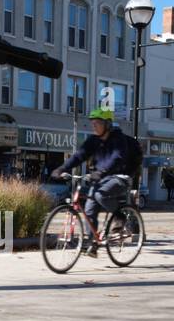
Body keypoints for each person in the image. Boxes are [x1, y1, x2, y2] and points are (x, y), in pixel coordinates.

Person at [52, 108, 139, 252]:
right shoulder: (93, 140)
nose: (94, 126)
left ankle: (120, 217)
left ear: (107, 124)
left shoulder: (118, 139)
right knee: (89, 208)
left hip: (120, 177)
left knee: (100, 195)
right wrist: (62, 168)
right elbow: (79, 156)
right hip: (100, 178)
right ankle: (93, 243)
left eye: (97, 123)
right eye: (92, 123)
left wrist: (102, 172)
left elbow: (117, 158)